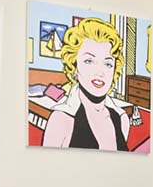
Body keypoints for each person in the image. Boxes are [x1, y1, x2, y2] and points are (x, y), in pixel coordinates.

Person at [41, 18, 130, 150]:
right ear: (74, 66)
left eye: (107, 64)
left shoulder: (122, 119)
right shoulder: (61, 120)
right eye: (89, 61)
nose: (100, 72)